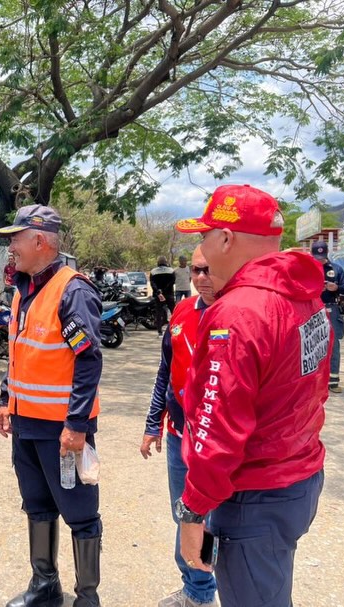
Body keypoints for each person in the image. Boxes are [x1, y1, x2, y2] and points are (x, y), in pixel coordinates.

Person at [174, 184, 329, 607]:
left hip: (254, 494)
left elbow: (216, 425)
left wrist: (192, 510)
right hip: (297, 478)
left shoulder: (239, 311)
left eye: (205, 235)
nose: (202, 246)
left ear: (225, 239)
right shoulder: (305, 295)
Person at [0, 204, 103, 607]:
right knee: (36, 504)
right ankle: (45, 585)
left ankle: (87, 597)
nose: (10, 248)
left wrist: (76, 425)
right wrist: (7, 398)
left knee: (79, 512)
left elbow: (88, 361)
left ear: (39, 241)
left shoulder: (72, 290)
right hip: (26, 425)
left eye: (15, 239)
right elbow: (19, 351)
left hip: (62, 431)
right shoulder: (26, 288)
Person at [140, 246, 218, 607]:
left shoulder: (237, 314)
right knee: (184, 513)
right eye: (197, 270)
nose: (202, 277)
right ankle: (196, 591)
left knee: (212, 520)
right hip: (178, 436)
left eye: (209, 270)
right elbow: (165, 374)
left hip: (218, 444)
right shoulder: (183, 312)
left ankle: (205, 592)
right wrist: (152, 424)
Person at [311, 240, 344, 393]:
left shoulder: (336, 269)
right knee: (311, 345)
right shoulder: (307, 269)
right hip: (311, 310)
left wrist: (336, 287)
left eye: (321, 256)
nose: (319, 260)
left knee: (333, 345)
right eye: (316, 256)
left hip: (331, 309)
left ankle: (333, 381)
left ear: (326, 253)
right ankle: (313, 381)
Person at [150, 256, 176, 335]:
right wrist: (164, 290)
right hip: (169, 294)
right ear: (166, 262)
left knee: (159, 313)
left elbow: (152, 283)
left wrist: (158, 292)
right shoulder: (171, 271)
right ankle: (175, 330)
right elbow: (172, 282)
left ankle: (159, 331)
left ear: (158, 262)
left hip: (158, 296)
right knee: (174, 313)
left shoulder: (153, 271)